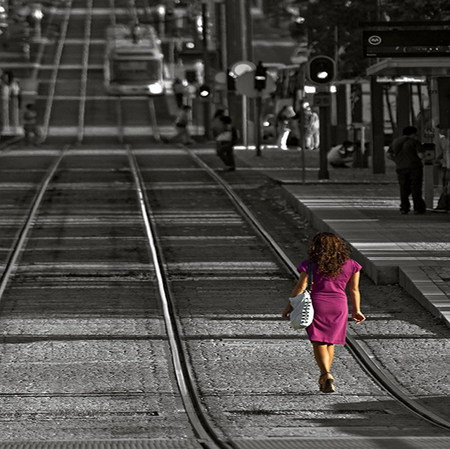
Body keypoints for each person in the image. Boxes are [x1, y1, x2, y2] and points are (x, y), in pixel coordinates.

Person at [282, 232, 366, 393]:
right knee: (330, 341)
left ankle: (325, 374)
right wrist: (357, 310)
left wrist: (289, 306)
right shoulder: (352, 265)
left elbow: (300, 287)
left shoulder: (310, 265)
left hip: (317, 304)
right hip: (339, 305)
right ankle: (325, 375)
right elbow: (354, 290)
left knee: (318, 341)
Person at [387, 126, 426, 215]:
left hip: (401, 168)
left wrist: (397, 161)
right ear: (413, 133)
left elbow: (388, 155)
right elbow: (420, 155)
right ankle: (418, 208)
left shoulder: (395, 141)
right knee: (415, 188)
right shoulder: (414, 142)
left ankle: (404, 208)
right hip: (415, 167)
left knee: (403, 188)